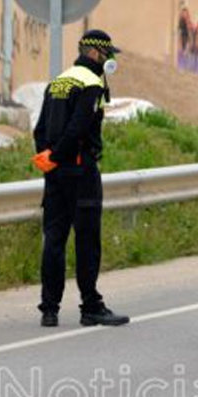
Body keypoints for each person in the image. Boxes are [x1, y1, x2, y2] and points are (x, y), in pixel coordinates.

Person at [32, 29, 130, 328]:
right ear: (95, 53)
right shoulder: (91, 83)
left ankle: (49, 310)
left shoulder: (59, 81)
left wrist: (49, 159)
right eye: (108, 54)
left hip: (55, 174)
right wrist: (60, 155)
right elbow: (78, 128)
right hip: (81, 171)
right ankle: (91, 307)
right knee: (87, 240)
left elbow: (39, 130)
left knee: (54, 240)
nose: (110, 60)